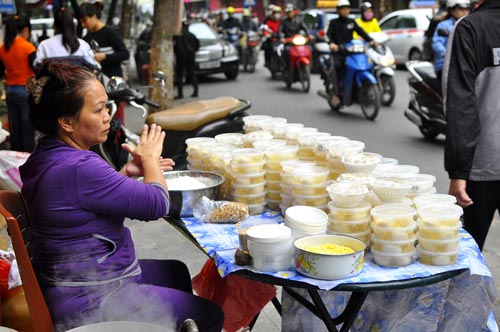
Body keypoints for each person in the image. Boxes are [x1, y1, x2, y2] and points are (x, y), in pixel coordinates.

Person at [19, 59, 224, 331]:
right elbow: (157, 204)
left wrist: (123, 175)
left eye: (107, 106)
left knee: (176, 271)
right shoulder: (80, 167)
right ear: (67, 122)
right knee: (211, 315)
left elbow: (83, 200)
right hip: (94, 299)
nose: (108, 116)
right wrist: (150, 158)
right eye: (99, 110)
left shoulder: (47, 154)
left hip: (73, 286)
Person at [443, 0, 500, 251]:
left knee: (469, 255)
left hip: (483, 164)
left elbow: (459, 103)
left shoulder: (470, 27)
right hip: (484, 164)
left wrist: (458, 172)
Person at [326, 0, 375, 106]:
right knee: (337, 67)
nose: (345, 11)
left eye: (347, 8)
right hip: (338, 52)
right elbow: (328, 35)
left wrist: (371, 40)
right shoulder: (334, 22)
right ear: (338, 11)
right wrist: (332, 44)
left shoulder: (351, 22)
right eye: (343, 9)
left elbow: (360, 31)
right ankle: (336, 93)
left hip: (351, 52)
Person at [0, 14, 36, 152]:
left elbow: (1, 72)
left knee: (14, 128)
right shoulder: (28, 47)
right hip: (26, 91)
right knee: (27, 128)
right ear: (25, 30)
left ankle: (15, 157)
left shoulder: (3, 49)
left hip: (10, 90)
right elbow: (36, 69)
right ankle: (27, 157)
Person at [78, 1, 129, 78]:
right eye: (81, 22)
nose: (83, 25)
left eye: (85, 20)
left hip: (113, 80)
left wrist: (105, 56)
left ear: (94, 16)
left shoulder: (110, 33)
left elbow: (125, 54)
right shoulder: (86, 38)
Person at [432, 0, 470, 82]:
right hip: (446, 65)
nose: (465, 12)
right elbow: (436, 43)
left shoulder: (470, 26)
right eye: (461, 9)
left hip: (466, 64)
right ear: (452, 10)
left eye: (467, 9)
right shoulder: (444, 25)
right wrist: (447, 54)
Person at [278, 4, 309, 71]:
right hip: (289, 42)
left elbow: (305, 29)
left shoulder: (299, 20)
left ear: (294, 12)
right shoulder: (284, 21)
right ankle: (286, 67)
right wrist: (282, 38)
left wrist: (309, 36)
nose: (289, 13)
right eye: (288, 12)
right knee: (286, 51)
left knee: (309, 49)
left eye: (290, 11)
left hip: (298, 41)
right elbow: (280, 31)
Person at [174, 21, 200, 99]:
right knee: (192, 74)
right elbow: (197, 46)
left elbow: (175, 47)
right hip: (191, 57)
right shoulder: (192, 35)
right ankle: (195, 92)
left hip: (181, 58)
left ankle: (180, 94)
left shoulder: (178, 36)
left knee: (179, 76)